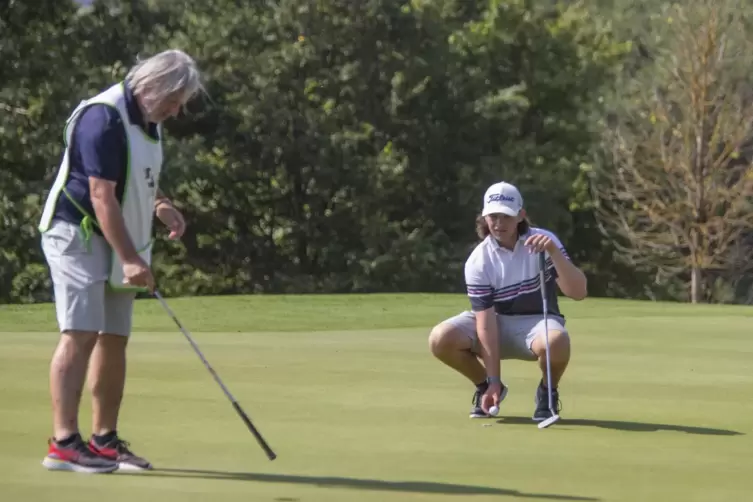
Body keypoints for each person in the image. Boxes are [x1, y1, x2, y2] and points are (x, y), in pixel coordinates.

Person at [37, 49, 203, 473]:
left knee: (114, 335)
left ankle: (104, 440)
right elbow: (100, 194)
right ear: (153, 86)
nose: (176, 110)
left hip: (120, 236)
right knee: (82, 331)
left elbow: (135, 175)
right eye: (173, 100)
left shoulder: (148, 121)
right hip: (78, 232)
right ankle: (64, 443)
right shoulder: (103, 117)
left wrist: (161, 203)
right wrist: (130, 258)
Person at [428, 181, 588, 422]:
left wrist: (554, 253)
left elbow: (578, 292)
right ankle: (487, 388)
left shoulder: (544, 241)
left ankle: (547, 392)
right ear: (484, 217)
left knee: (557, 341)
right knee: (440, 339)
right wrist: (492, 380)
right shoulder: (478, 261)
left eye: (506, 216)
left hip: (537, 325)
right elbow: (486, 324)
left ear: (520, 215)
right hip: (495, 324)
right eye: (493, 216)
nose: (499, 223)